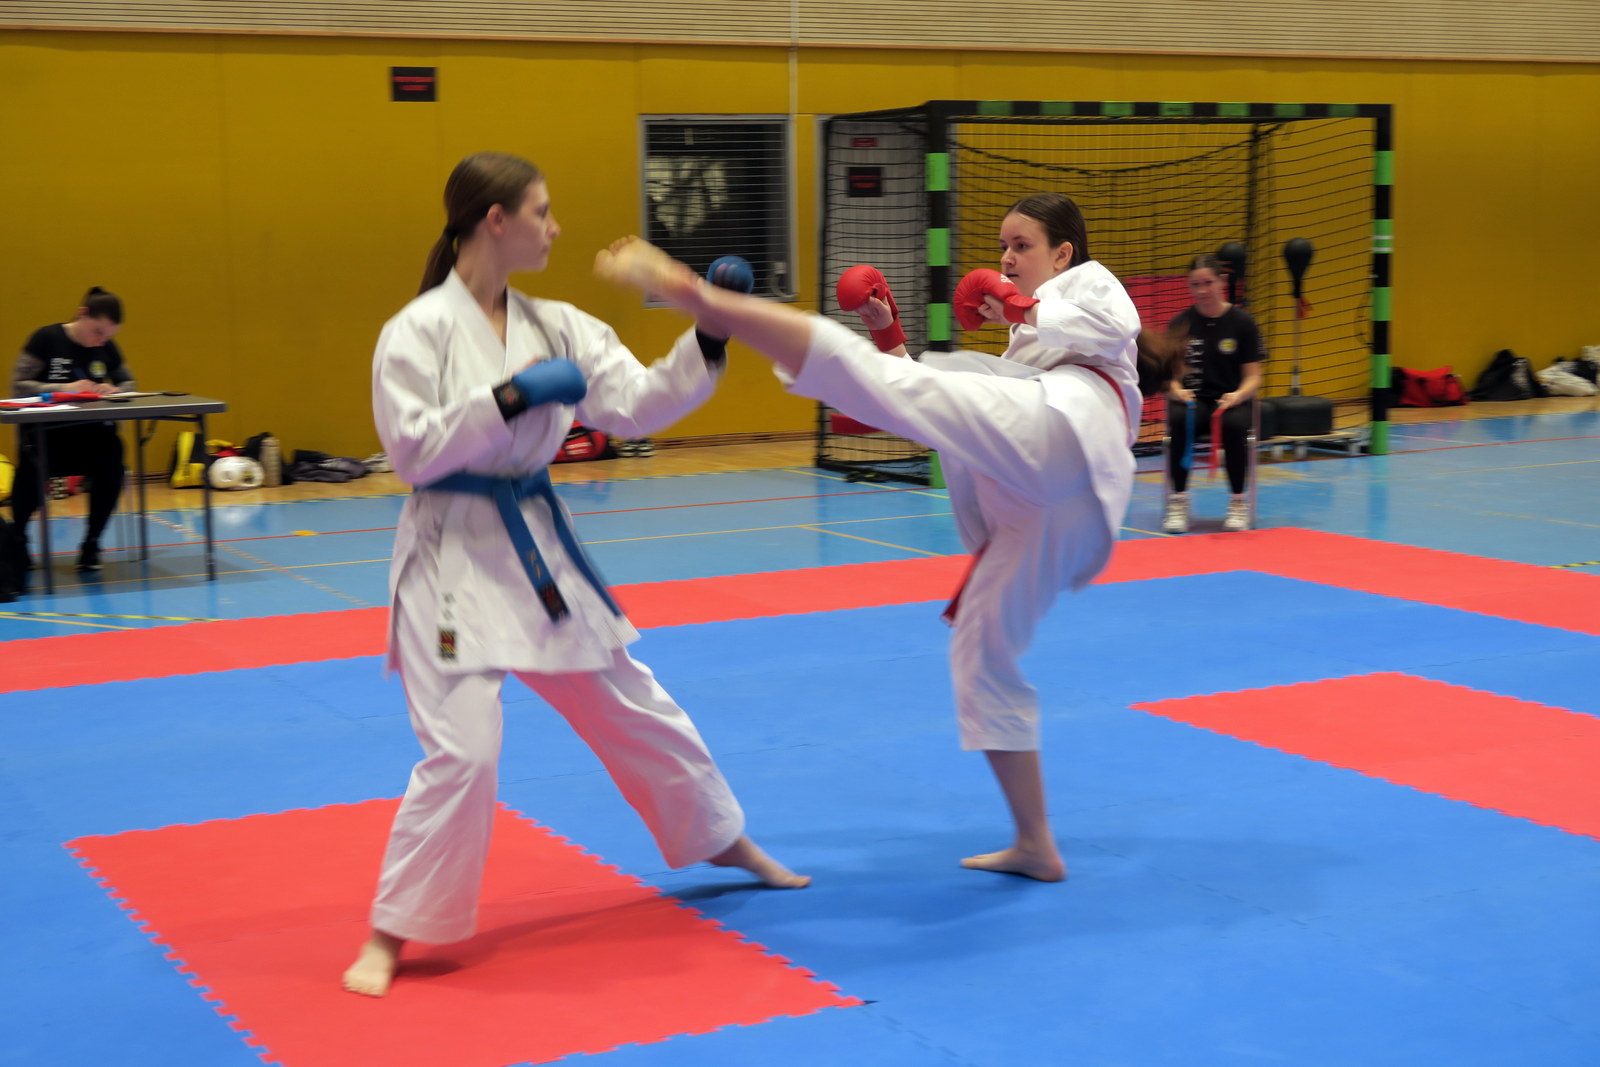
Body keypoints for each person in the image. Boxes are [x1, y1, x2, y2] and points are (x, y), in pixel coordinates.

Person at [595, 193, 1174, 884]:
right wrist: (888, 332)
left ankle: (696, 297)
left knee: (926, 378)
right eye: (1002, 246)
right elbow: (926, 407)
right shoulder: (1029, 340)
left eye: (1021, 245)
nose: (1006, 258)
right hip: (1052, 509)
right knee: (979, 654)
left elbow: (1114, 327)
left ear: (1063, 254)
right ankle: (1035, 842)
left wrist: (1015, 305)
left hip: (1071, 442)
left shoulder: (1091, 286)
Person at [344, 152, 807, 999]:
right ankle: (391, 930)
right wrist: (510, 400)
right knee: (464, 751)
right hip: (450, 558)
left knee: (632, 702)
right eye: (543, 212)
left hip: (536, 553)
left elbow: (636, 401)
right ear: (495, 220)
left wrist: (709, 334)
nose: (556, 228)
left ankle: (723, 840)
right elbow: (409, 450)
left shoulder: (557, 325)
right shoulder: (416, 330)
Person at [7, 287, 135, 578]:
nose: (100, 341)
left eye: (107, 336)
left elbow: (129, 383)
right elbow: (18, 385)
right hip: (46, 438)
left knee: (113, 456)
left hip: (91, 437)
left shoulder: (106, 347)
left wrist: (114, 389)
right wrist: (64, 388)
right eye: (97, 332)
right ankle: (19, 540)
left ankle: (91, 542)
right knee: (28, 471)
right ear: (82, 314)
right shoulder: (46, 339)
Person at [1162, 254, 1266, 534]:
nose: (1202, 290)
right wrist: (1177, 391)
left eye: (1207, 283)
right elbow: (1168, 378)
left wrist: (1238, 395)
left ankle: (1238, 502)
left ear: (1221, 281)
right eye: (1195, 285)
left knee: (1234, 425)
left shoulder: (1243, 322)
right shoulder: (1180, 323)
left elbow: (1253, 377)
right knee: (1179, 420)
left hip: (1231, 400)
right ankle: (1178, 501)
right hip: (1194, 400)